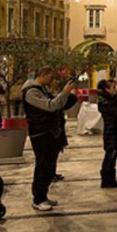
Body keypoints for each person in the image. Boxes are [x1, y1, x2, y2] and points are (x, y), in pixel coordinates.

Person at [23, 67, 75, 211]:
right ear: (43, 75)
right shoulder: (31, 92)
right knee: (43, 166)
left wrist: (68, 96)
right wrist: (64, 92)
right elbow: (51, 106)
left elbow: (57, 105)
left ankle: (43, 197)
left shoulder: (43, 90)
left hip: (50, 133)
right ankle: (38, 199)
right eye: (51, 77)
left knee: (49, 168)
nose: (53, 80)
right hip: (41, 133)